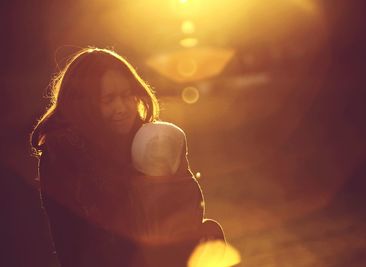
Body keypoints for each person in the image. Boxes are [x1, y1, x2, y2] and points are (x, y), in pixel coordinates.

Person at [30, 47, 224, 267]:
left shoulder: (149, 140)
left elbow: (189, 211)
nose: (121, 108)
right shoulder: (65, 153)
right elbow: (78, 242)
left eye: (126, 95)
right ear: (84, 104)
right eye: (108, 99)